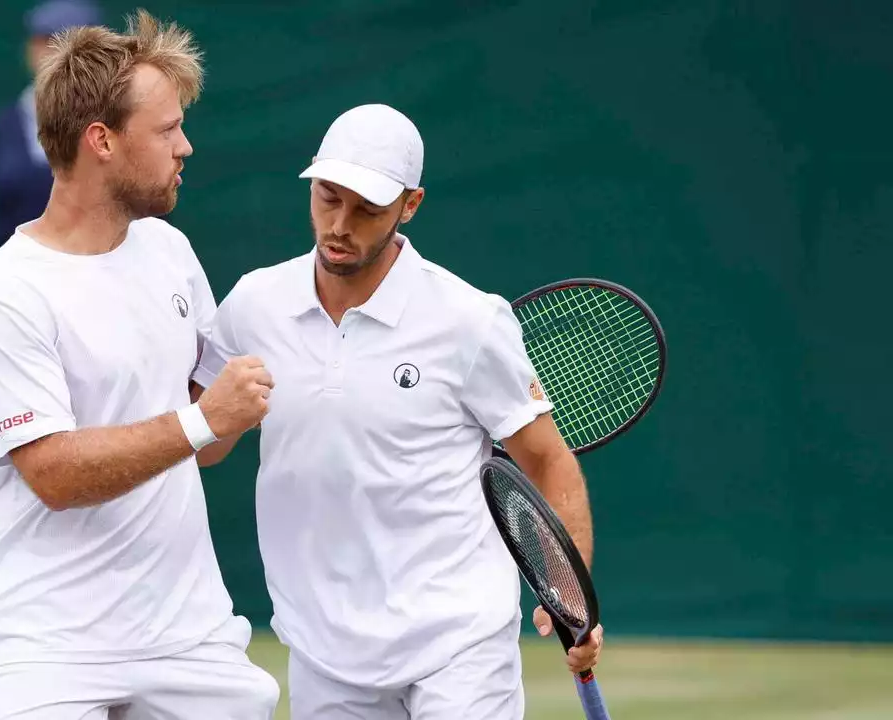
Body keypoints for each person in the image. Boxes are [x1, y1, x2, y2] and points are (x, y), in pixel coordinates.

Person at [192, 104, 604, 719]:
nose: (340, 224)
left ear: (410, 205)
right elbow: (201, 446)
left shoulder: (469, 319)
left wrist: (571, 592)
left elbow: (547, 459)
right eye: (328, 198)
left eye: (367, 210)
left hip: (458, 642)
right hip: (321, 648)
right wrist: (208, 417)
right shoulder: (254, 304)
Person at [0, 10, 279, 719]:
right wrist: (202, 419)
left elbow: (210, 444)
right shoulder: (4, 295)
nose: (186, 146)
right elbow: (57, 475)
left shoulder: (170, 253)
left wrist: (241, 404)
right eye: (166, 131)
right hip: (45, 646)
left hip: (185, 636)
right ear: (101, 140)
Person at [0, 0, 104, 649]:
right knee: (2, 460)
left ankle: (92, 599)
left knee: (94, 448)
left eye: (67, 40)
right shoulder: (2, 126)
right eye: (45, 39)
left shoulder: (114, 131)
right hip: (15, 317)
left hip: (95, 315)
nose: (52, 51)